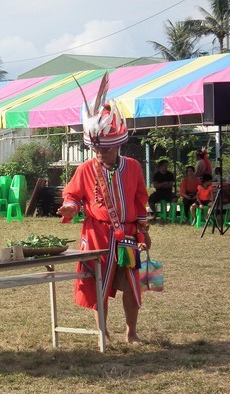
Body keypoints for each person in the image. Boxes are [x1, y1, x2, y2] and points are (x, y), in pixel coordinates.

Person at [57, 72, 150, 345]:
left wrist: (144, 234)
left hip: (128, 237)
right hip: (96, 235)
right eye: (96, 150)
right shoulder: (86, 169)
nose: (100, 154)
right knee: (99, 285)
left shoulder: (132, 167)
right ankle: (103, 333)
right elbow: (72, 196)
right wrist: (70, 209)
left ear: (118, 146)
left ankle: (131, 333)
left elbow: (139, 203)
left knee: (132, 288)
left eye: (105, 151)